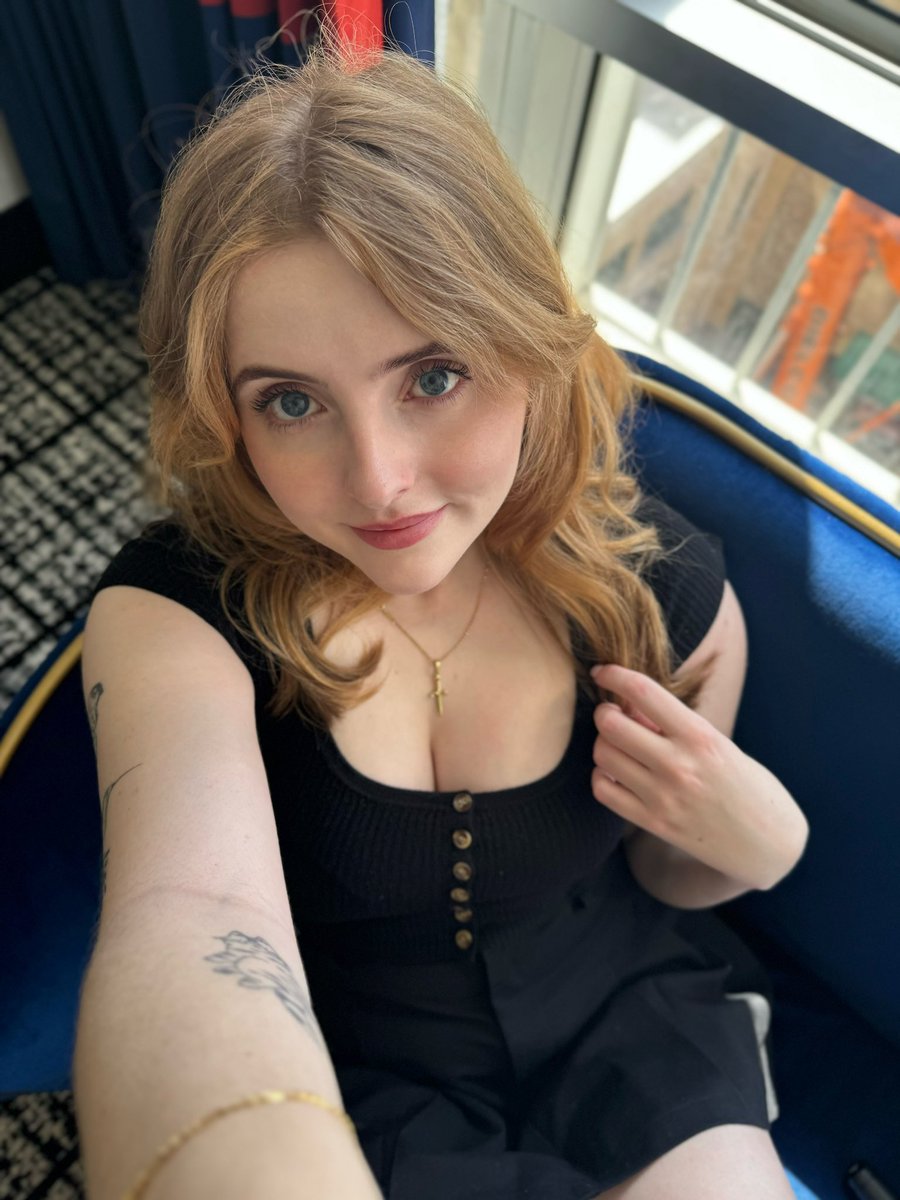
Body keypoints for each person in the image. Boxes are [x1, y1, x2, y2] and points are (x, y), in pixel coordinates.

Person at [74, 33, 809, 1200]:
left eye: (432, 376)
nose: (379, 481)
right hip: (365, 1079)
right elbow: (192, 916)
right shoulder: (174, 617)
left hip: (631, 1019)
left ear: (528, 343)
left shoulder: (662, 592)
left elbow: (669, 876)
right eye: (292, 401)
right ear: (225, 414)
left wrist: (764, 843)